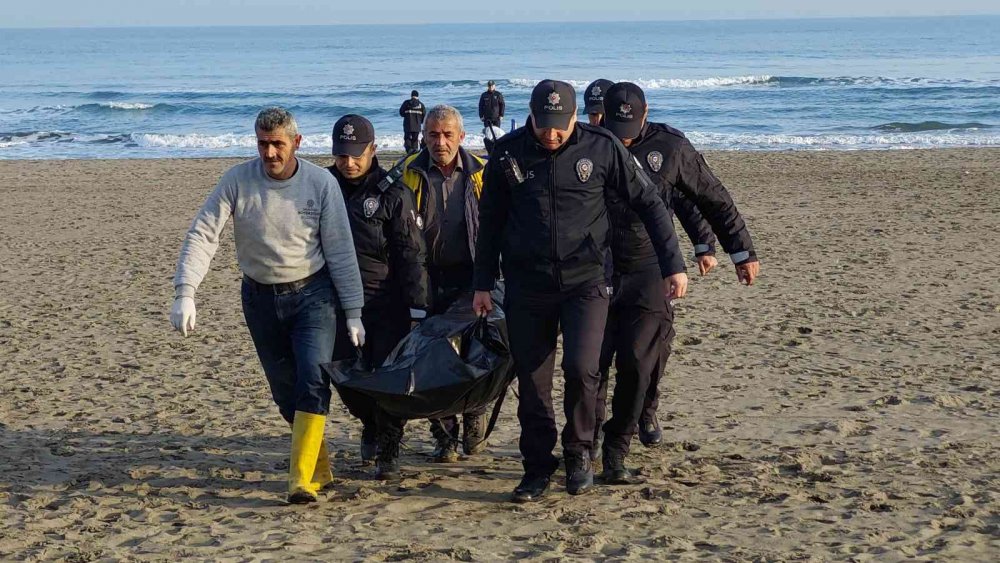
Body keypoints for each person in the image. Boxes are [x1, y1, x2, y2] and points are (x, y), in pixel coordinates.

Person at [471, 80, 689, 502]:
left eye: (559, 126)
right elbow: (491, 222)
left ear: (574, 118)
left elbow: (651, 205)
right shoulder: (508, 152)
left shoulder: (603, 147)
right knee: (533, 382)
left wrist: (673, 265)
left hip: (586, 282)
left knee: (582, 369)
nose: (550, 135)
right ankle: (536, 465)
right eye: (541, 125)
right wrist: (482, 283)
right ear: (531, 116)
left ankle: (578, 454)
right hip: (527, 284)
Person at [170, 107, 366, 504]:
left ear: (296, 142)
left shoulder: (321, 183)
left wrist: (354, 311)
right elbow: (203, 234)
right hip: (259, 299)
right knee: (285, 393)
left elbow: (341, 250)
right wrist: (185, 291)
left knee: (312, 378)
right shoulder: (237, 180)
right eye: (263, 144)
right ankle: (320, 468)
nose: (270, 153)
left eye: (278, 144)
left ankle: (300, 483)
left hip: (314, 296)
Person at [593, 81, 760, 484]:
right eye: (616, 125)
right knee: (589, 369)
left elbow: (708, 196)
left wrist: (740, 251)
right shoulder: (589, 144)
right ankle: (583, 447)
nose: (624, 135)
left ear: (646, 113)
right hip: (593, 271)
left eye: (630, 126)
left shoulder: (670, 146)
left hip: (650, 269)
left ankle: (619, 445)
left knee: (637, 362)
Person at [326, 114, 430, 479]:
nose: (349, 163)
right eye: (341, 155)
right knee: (345, 376)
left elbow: (410, 254)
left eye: (356, 154)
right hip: (335, 302)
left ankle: (388, 445)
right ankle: (368, 421)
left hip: (385, 303)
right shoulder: (322, 186)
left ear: (373, 149)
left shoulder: (393, 193)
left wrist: (418, 308)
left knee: (387, 377)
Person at [398, 105, 490, 463]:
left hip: (473, 277)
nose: (440, 142)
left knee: (475, 355)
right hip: (425, 277)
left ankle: (474, 418)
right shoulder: (408, 171)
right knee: (433, 360)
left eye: (448, 134)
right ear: (423, 136)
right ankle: (444, 436)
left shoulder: (482, 172)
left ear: (462, 137)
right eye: (433, 134)